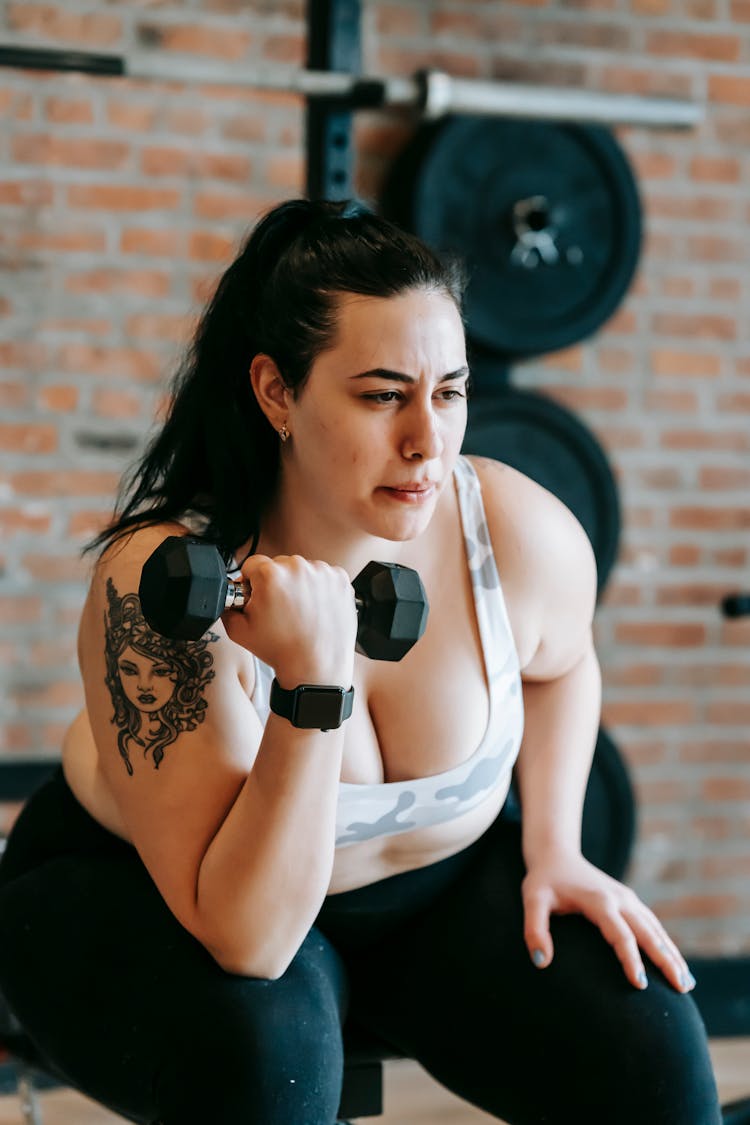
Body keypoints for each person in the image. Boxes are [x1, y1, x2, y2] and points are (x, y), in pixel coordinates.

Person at [0, 198, 721, 1125]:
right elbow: (250, 935)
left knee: (652, 1055)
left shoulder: (510, 530)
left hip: (429, 902)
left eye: (449, 391)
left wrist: (557, 846)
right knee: (272, 1060)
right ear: (277, 393)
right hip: (161, 905)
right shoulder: (166, 585)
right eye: (384, 394)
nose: (428, 439)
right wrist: (311, 683)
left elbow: (564, 667)